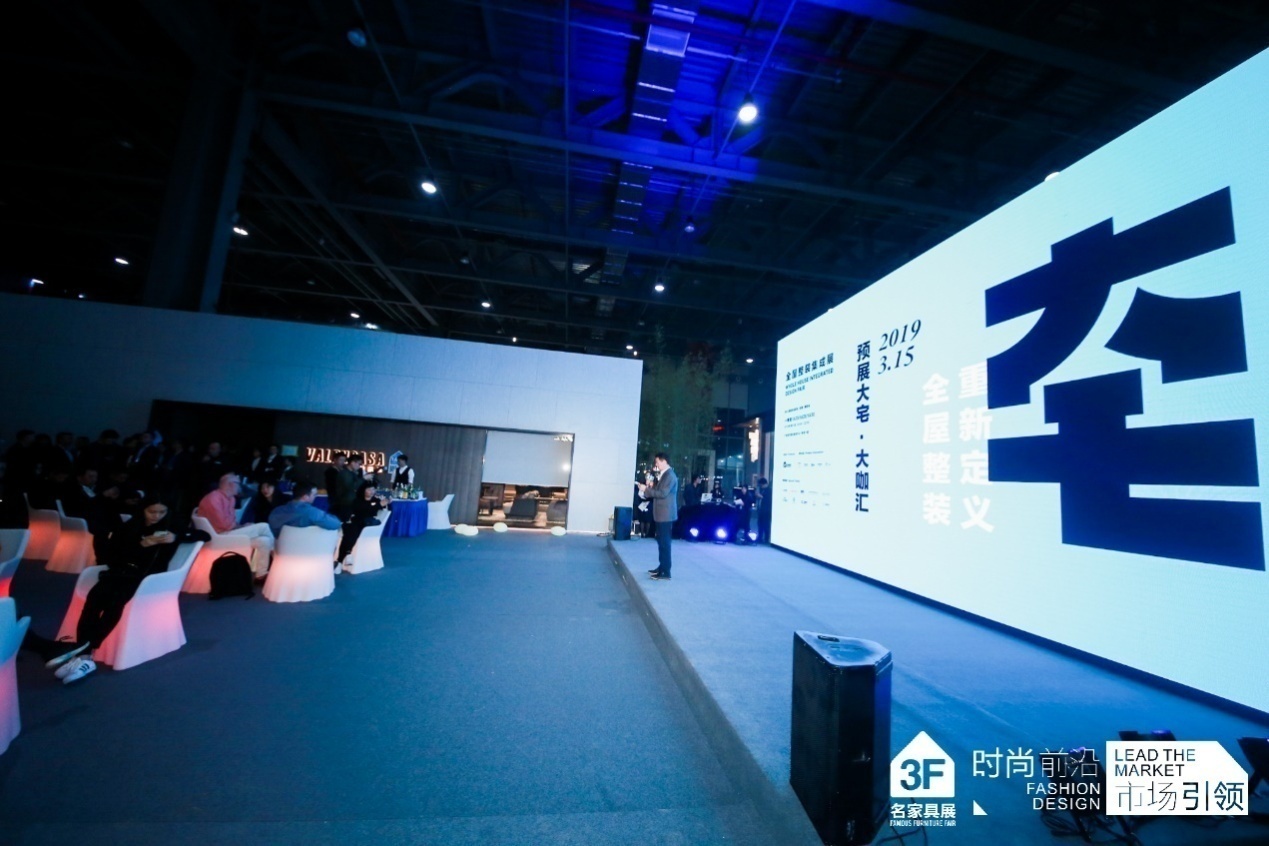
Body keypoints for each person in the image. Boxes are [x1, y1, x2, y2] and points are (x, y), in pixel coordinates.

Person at [57, 495, 210, 684]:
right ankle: (84, 654)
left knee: (115, 602)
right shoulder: (131, 526)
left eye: (161, 512)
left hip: (147, 578)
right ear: (143, 510)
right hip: (120, 571)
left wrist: (176, 537)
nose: (156, 516)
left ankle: (86, 653)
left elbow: (205, 536)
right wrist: (141, 545)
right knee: (94, 600)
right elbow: (112, 555)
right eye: (152, 512)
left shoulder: (171, 526)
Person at [196, 473, 275, 576]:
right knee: (264, 526)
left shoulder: (231, 499)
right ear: (231, 484)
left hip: (228, 532)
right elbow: (224, 524)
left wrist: (242, 526)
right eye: (238, 484)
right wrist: (242, 527)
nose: (240, 487)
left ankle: (261, 574)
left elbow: (230, 522)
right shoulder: (213, 499)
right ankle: (276, 555)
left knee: (264, 541)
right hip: (218, 536)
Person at [637, 453, 679, 580]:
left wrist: (646, 489)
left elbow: (662, 493)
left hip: (665, 515)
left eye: (657, 462)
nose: (656, 464)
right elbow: (659, 491)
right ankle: (662, 567)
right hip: (661, 514)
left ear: (664, 461)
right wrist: (650, 487)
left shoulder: (670, 475)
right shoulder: (665, 475)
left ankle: (665, 571)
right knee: (661, 542)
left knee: (664, 543)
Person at [337, 481, 389, 567]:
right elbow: (361, 510)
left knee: (350, 531)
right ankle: (345, 556)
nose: (372, 491)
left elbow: (381, 510)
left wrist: (385, 503)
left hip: (367, 524)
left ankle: (342, 559)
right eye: (369, 489)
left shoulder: (376, 500)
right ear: (363, 490)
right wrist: (378, 505)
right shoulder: (357, 500)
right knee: (349, 530)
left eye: (373, 489)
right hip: (357, 522)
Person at [268, 479, 342, 538]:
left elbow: (273, 534)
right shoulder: (313, 513)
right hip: (311, 550)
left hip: (282, 550)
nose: (315, 497)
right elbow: (336, 524)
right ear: (305, 497)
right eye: (314, 495)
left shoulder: (276, 512)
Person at [757, 477, 773, 544]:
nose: (761, 486)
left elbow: (768, 500)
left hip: (766, 511)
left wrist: (760, 496)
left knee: (766, 525)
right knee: (760, 524)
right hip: (761, 510)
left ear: (764, 484)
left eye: (761, 485)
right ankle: (760, 537)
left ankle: (766, 538)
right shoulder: (762, 490)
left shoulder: (769, 490)